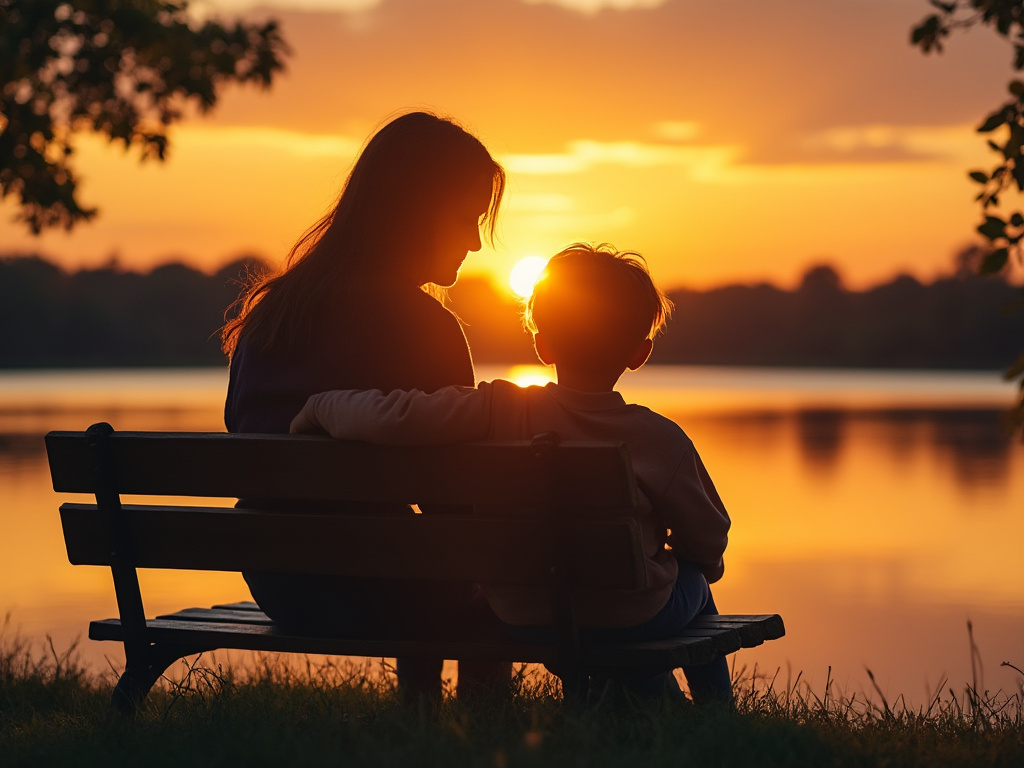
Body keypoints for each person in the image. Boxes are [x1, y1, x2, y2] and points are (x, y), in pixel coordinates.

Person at [290, 242, 734, 704]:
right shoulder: (659, 438)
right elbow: (708, 538)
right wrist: (699, 565)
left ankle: (642, 702)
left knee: (636, 599)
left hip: (524, 613)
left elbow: (395, 416)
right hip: (631, 614)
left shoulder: (499, 408)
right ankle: (716, 715)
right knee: (696, 587)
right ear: (640, 353)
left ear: (543, 344)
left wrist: (320, 406)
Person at [220, 110, 510, 703]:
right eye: (465, 217)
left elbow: (245, 437)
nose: (476, 240)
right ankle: (487, 729)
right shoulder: (425, 328)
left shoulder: (271, 315)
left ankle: (419, 716)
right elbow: (454, 503)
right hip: (383, 588)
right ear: (412, 211)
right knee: (478, 574)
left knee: (406, 553)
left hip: (280, 581)